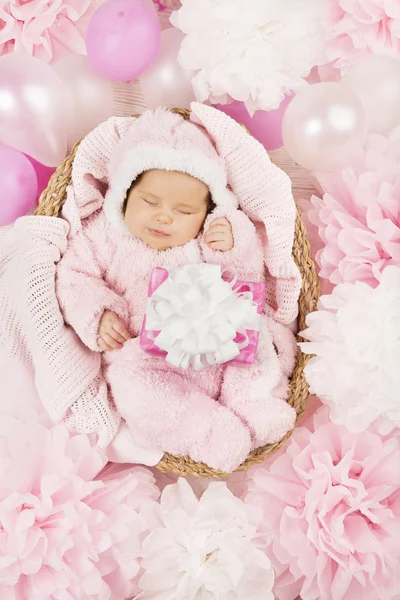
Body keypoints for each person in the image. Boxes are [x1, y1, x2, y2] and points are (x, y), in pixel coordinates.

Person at [56, 106, 299, 472]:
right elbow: (72, 278)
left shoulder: (210, 233)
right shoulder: (103, 237)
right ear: (122, 196)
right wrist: (98, 313)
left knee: (256, 338)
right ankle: (208, 431)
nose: (164, 216)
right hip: (146, 358)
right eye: (150, 202)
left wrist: (233, 240)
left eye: (184, 210)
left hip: (216, 344)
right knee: (133, 391)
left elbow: (245, 279)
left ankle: (253, 405)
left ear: (206, 212)